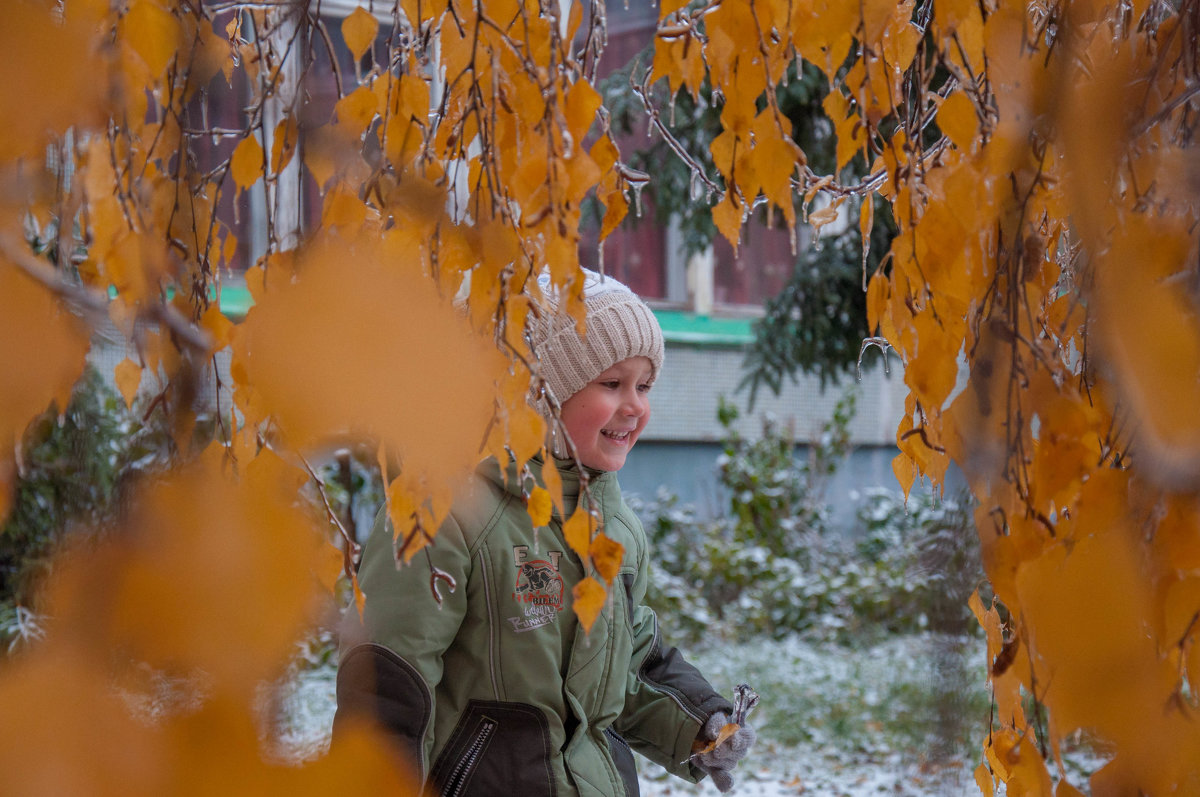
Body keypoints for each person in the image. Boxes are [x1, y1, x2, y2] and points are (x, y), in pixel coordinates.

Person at [334, 270, 754, 796]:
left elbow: (628, 659)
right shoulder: (444, 511)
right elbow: (386, 686)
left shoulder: (613, 528)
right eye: (611, 383)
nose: (635, 406)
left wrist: (699, 725)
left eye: (644, 386)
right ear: (541, 395)